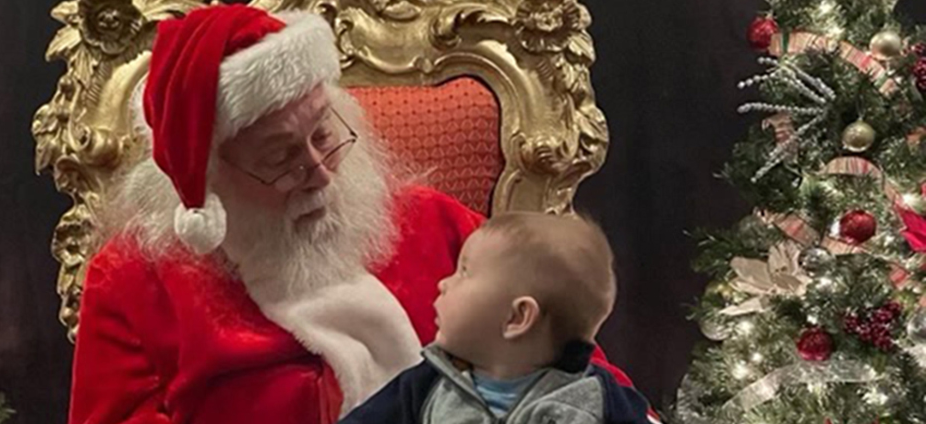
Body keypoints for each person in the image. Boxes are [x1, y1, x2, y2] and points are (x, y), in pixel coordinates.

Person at [66, 5, 650, 424]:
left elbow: (572, 361)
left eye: (325, 133)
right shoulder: (132, 280)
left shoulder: (441, 227)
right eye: (280, 159)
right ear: (209, 183)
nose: (320, 170)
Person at [340, 212, 653, 424]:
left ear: (517, 317)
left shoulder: (597, 399)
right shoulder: (427, 384)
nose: (443, 284)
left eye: (464, 271)